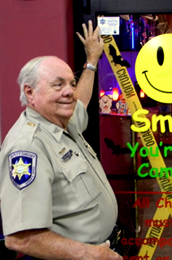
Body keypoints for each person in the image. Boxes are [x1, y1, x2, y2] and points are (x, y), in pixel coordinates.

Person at [0, 21, 123, 260]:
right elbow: (21, 237)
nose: (69, 92)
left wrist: (91, 61)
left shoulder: (62, 119)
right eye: (58, 85)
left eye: (71, 84)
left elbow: (82, 102)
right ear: (29, 92)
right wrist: (91, 254)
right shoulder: (28, 146)